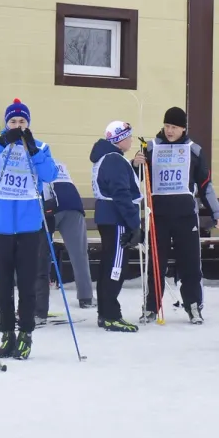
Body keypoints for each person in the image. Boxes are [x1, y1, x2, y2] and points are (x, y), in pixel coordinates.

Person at [0, 99, 62, 360]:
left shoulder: (40, 147)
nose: (18, 126)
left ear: (29, 124)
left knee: (27, 283)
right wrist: (1, 142)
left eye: (22, 122)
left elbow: (50, 174)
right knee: (3, 285)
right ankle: (7, 334)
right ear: (6, 124)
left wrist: (34, 150)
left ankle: (26, 335)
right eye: (13, 122)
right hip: (0, 226)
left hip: (29, 227)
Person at [138, 107, 219, 324]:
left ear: (183, 128)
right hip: (159, 216)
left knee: (190, 264)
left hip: (185, 215)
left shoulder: (194, 150)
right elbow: (137, 176)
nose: (169, 131)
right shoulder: (151, 147)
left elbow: (205, 185)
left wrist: (216, 211)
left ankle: (193, 306)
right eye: (167, 126)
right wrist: (136, 162)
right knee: (156, 263)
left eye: (174, 127)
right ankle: (151, 307)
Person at [87, 120, 142, 333]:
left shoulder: (108, 158)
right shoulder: (114, 160)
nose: (130, 140)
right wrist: (134, 224)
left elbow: (120, 186)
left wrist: (134, 168)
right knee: (116, 267)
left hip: (109, 217)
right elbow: (121, 193)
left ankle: (105, 313)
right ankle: (111, 315)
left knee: (109, 264)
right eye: (128, 136)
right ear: (119, 139)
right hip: (116, 218)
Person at [35, 160, 94, 319]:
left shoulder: (33, 163)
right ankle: (86, 297)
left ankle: (38, 303)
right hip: (73, 204)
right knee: (79, 254)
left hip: (49, 205)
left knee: (41, 254)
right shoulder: (61, 165)